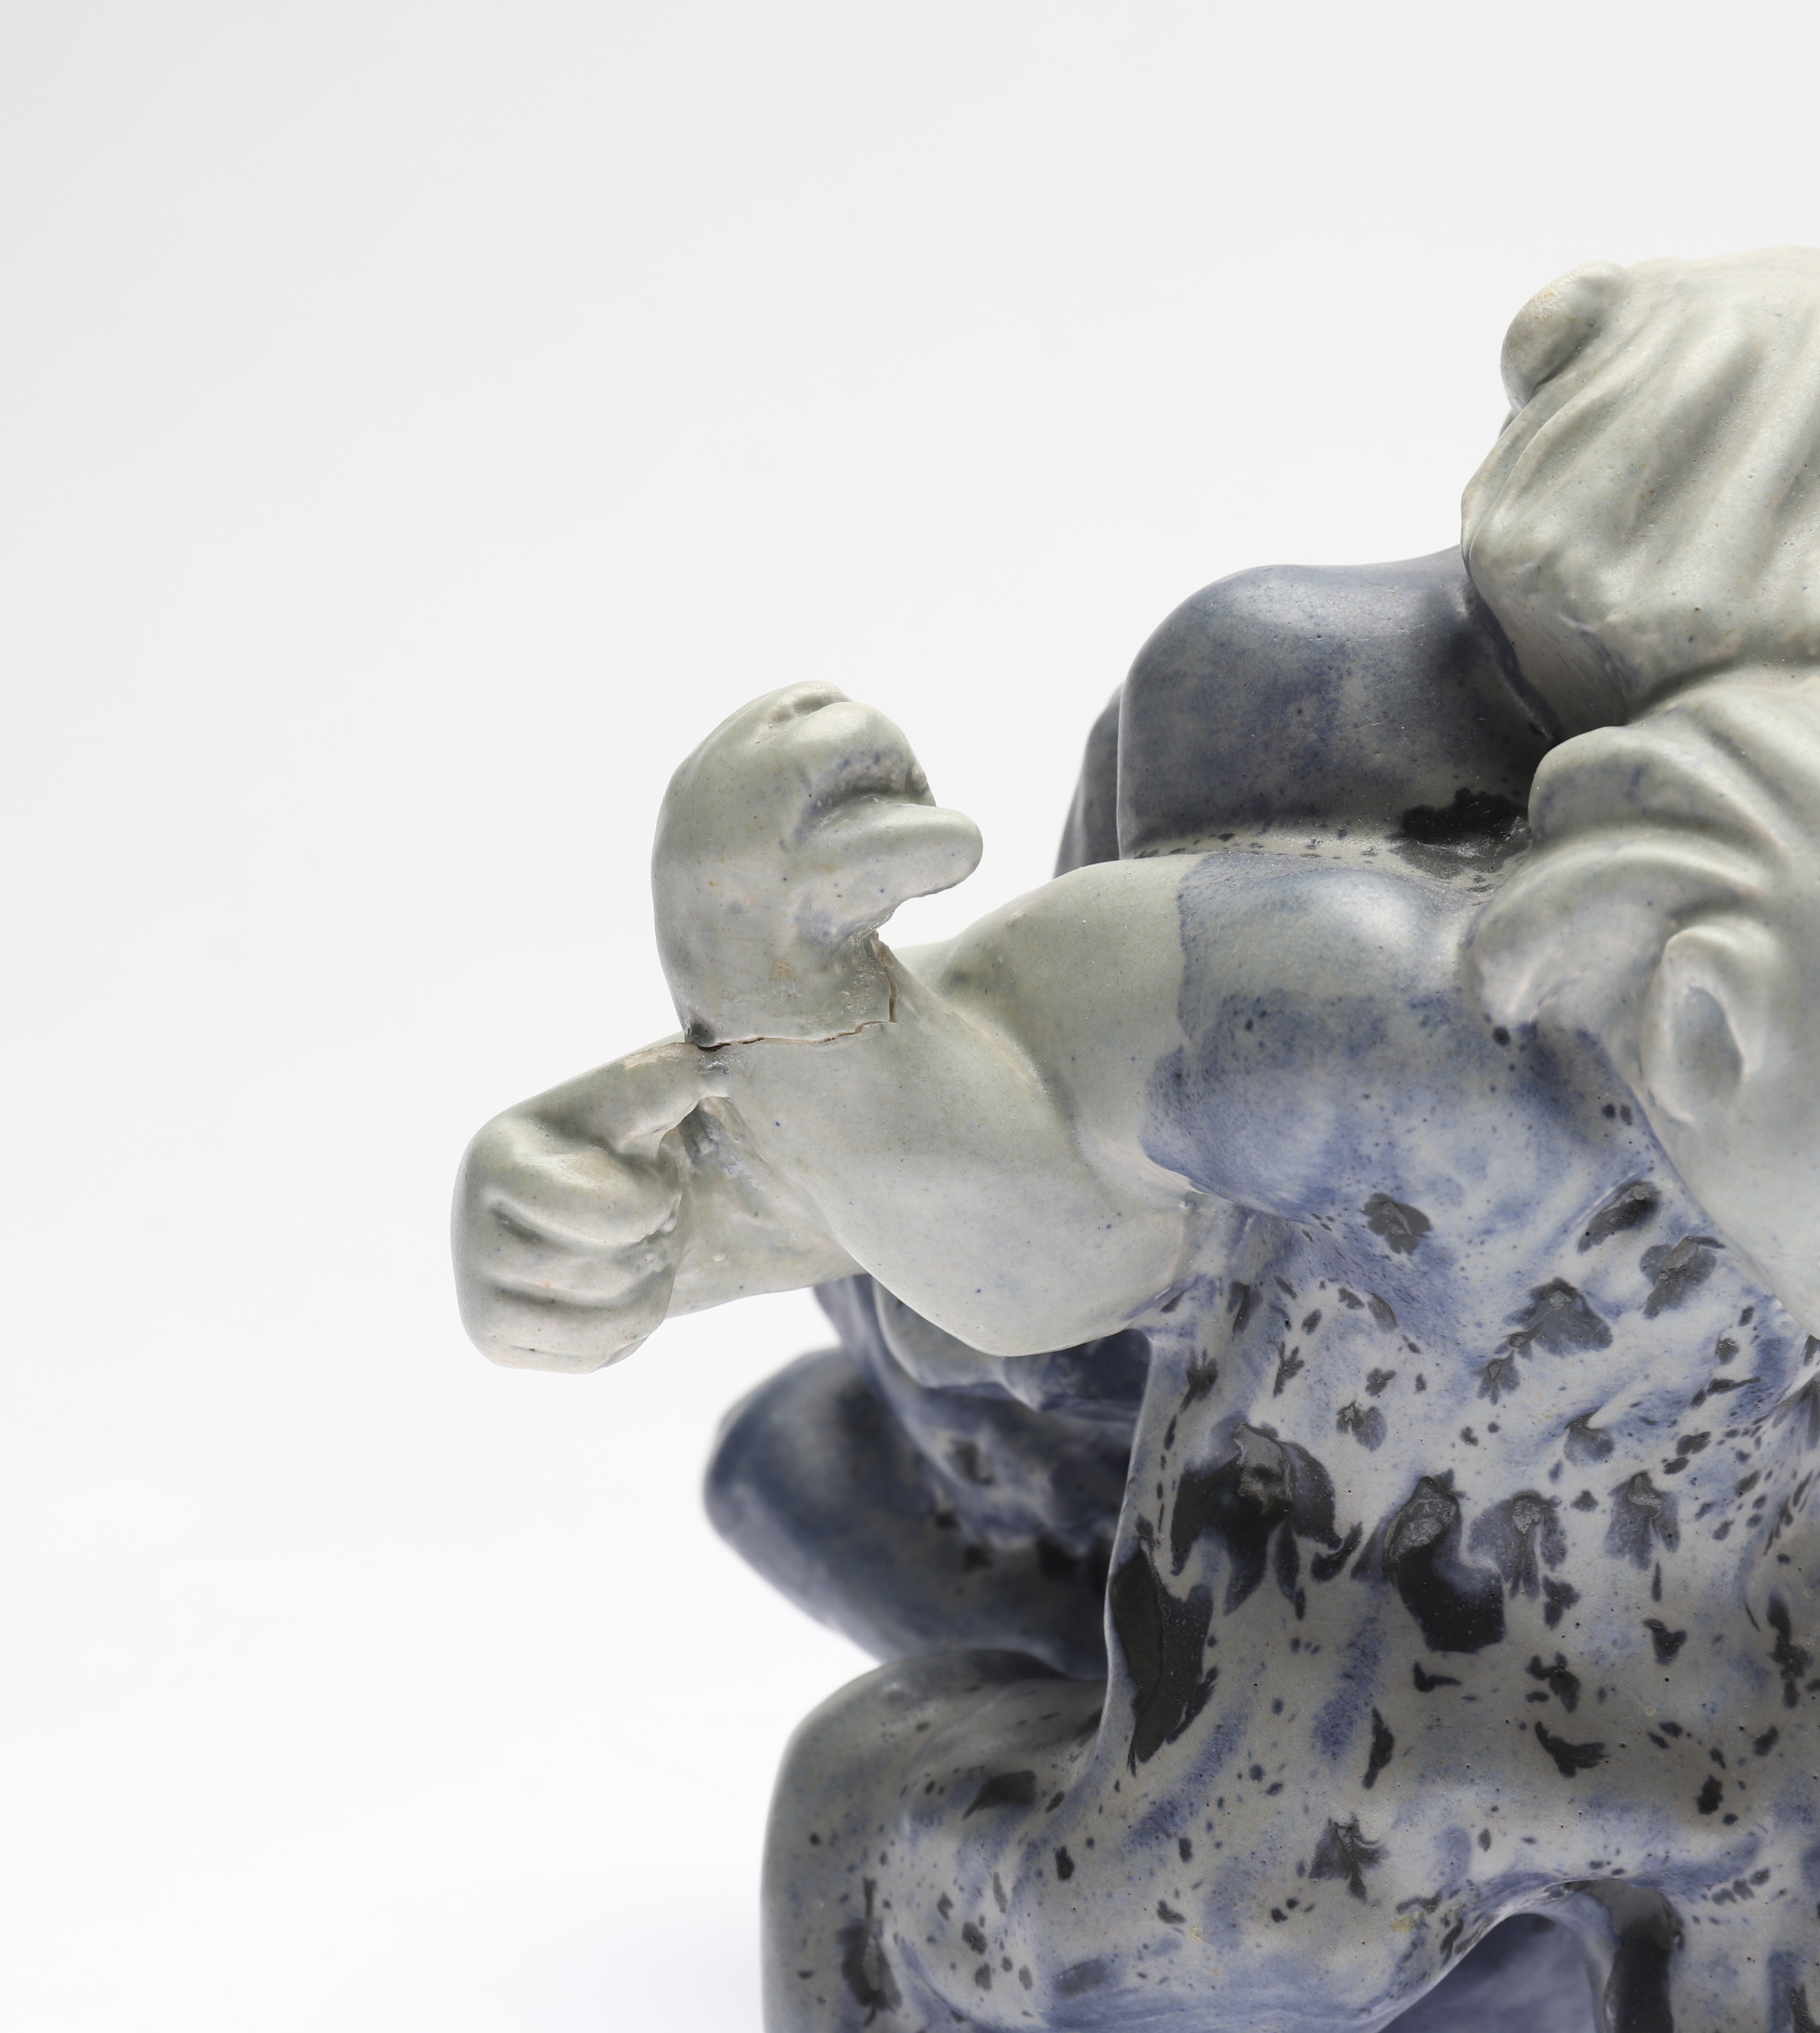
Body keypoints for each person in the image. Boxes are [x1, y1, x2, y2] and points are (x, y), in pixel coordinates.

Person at [456, 251, 1820, 2033]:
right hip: (1353, 1623)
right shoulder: (1401, 1043)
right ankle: (885, 1826)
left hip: (1760, 1683)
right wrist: (759, 1039)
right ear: (1704, 1007)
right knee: (1193, 1938)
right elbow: (1026, 1141)